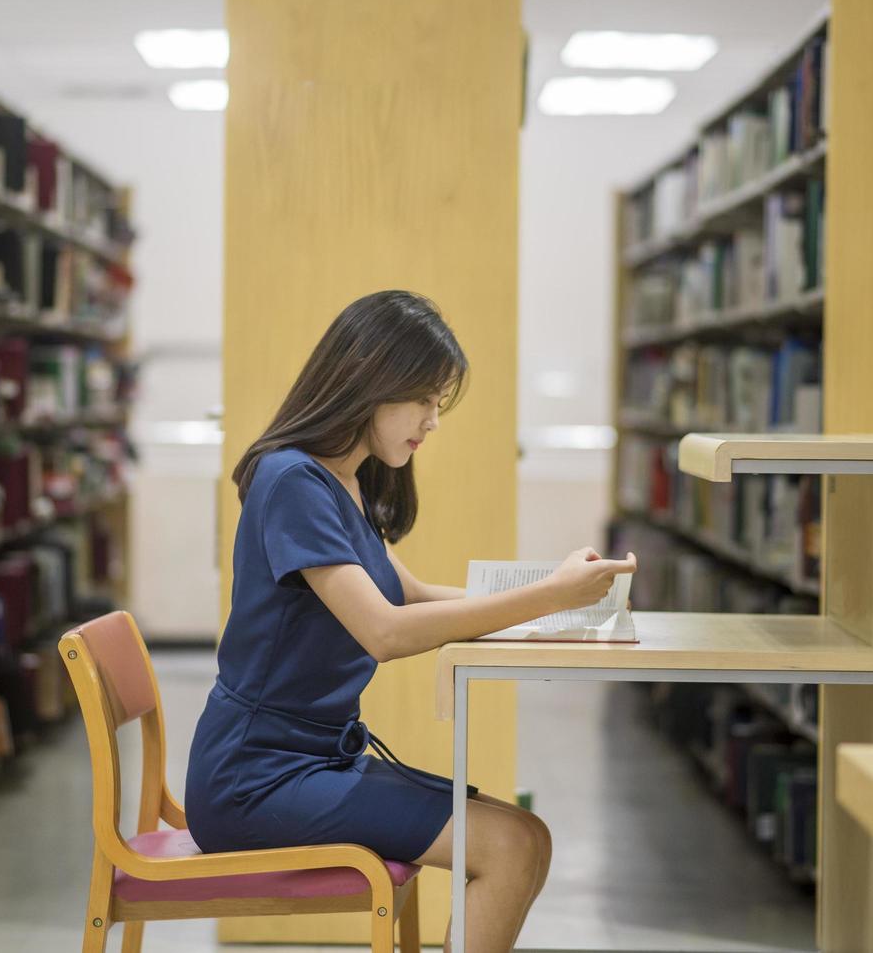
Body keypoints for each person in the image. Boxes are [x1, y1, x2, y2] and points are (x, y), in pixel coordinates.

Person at [185, 289, 636, 952]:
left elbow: (414, 595)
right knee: (508, 846)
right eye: (422, 400)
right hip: (255, 778)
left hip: (305, 760)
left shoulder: (343, 478)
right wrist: (546, 600)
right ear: (369, 381)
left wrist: (559, 598)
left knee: (525, 836)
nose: (432, 420)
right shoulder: (291, 482)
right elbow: (386, 631)